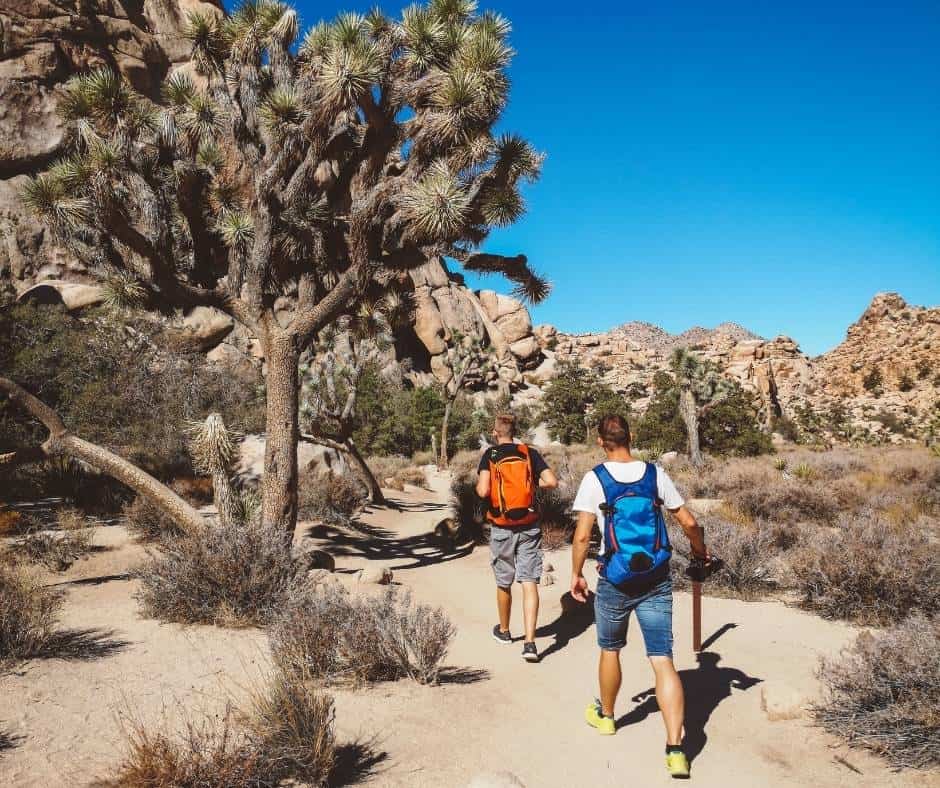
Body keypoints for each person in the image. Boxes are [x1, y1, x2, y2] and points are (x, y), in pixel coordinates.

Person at [570, 414, 712, 779]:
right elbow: (690, 522)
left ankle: (607, 717)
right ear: (631, 436)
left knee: (610, 648)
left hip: (615, 578)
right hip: (655, 576)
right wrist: (700, 552)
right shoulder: (654, 475)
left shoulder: (595, 479)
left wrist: (576, 574)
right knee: (662, 658)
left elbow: (583, 536)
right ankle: (676, 749)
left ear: (601, 442)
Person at [476, 413, 558, 662]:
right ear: (514, 431)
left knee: (504, 580)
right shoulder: (527, 452)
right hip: (529, 524)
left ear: (495, 432)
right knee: (529, 580)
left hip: (502, 526)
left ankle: (504, 631)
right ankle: (530, 644)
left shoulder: (490, 455)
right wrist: (531, 485)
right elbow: (552, 481)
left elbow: (483, 490)